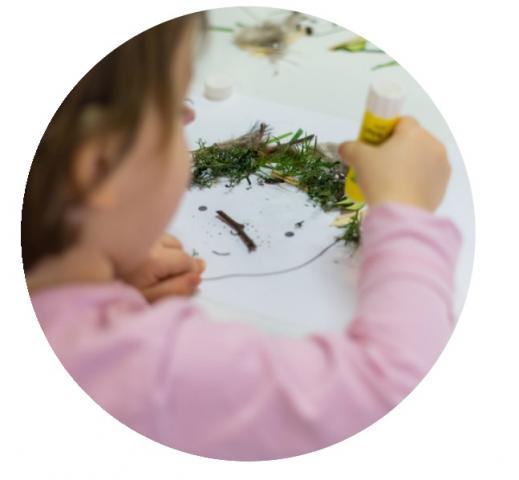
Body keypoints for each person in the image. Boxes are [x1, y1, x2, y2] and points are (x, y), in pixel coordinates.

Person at [22, 12, 461, 461]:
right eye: (177, 109)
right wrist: (407, 209)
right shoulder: (153, 370)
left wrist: (94, 266)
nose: (192, 119)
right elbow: (395, 391)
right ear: (99, 167)